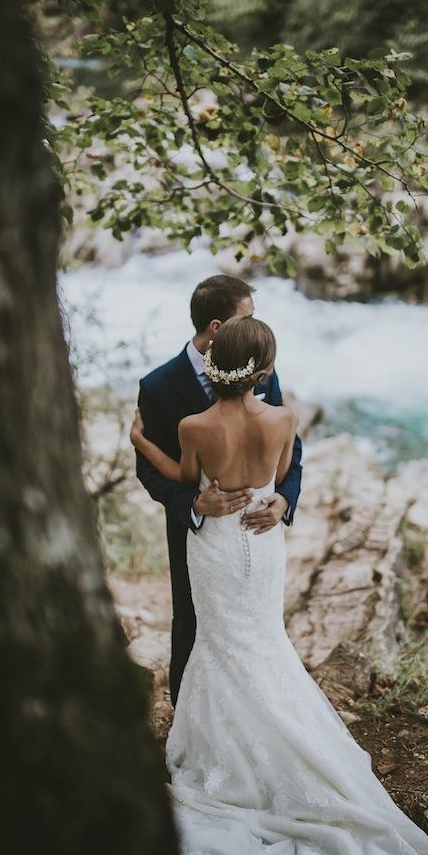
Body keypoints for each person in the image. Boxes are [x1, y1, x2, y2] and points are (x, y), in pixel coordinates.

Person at [131, 315, 428, 855]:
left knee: (220, 642)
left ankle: (227, 752)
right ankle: (293, 743)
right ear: (264, 368)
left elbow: (183, 479)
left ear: (214, 357)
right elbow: (277, 478)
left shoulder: (193, 425)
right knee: (260, 640)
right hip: (263, 539)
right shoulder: (284, 416)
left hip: (219, 542)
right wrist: (274, 498)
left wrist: (143, 441)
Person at [134, 274, 302, 705]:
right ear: (216, 327)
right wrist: (194, 503)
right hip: (197, 532)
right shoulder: (157, 386)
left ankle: (259, 708)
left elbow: (291, 451)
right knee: (191, 621)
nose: (252, 325)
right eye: (246, 316)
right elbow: (149, 476)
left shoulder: (260, 366)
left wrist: (285, 498)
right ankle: (188, 713)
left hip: (260, 528)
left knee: (259, 622)